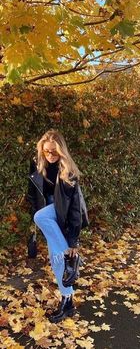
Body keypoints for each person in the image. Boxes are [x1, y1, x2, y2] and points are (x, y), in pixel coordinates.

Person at [27, 129, 85, 323]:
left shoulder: (69, 171)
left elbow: (75, 209)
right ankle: (67, 302)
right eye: (46, 151)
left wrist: (73, 241)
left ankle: (72, 262)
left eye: (54, 151)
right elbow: (33, 195)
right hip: (48, 217)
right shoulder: (36, 164)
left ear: (61, 151)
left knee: (40, 216)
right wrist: (35, 223)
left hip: (63, 216)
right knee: (57, 261)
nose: (50, 155)